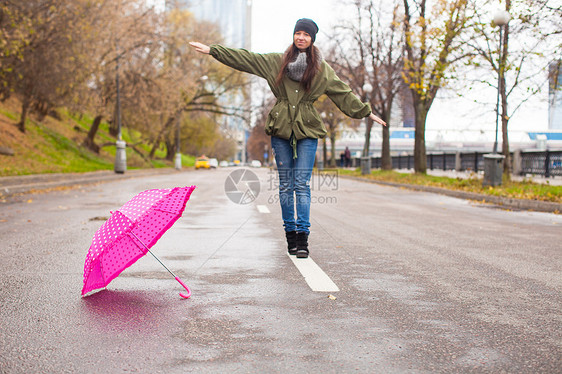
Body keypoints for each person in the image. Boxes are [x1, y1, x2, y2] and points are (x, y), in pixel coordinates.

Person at [189, 18, 386, 259]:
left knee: (301, 183)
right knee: (285, 184)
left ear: (312, 38)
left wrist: (366, 112)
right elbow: (246, 59)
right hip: (281, 128)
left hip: (308, 129)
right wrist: (213, 51)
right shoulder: (276, 62)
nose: (301, 37)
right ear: (294, 35)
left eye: (306, 34)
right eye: (298, 33)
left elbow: (342, 93)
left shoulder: (322, 69)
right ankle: (290, 235)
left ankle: (302, 238)